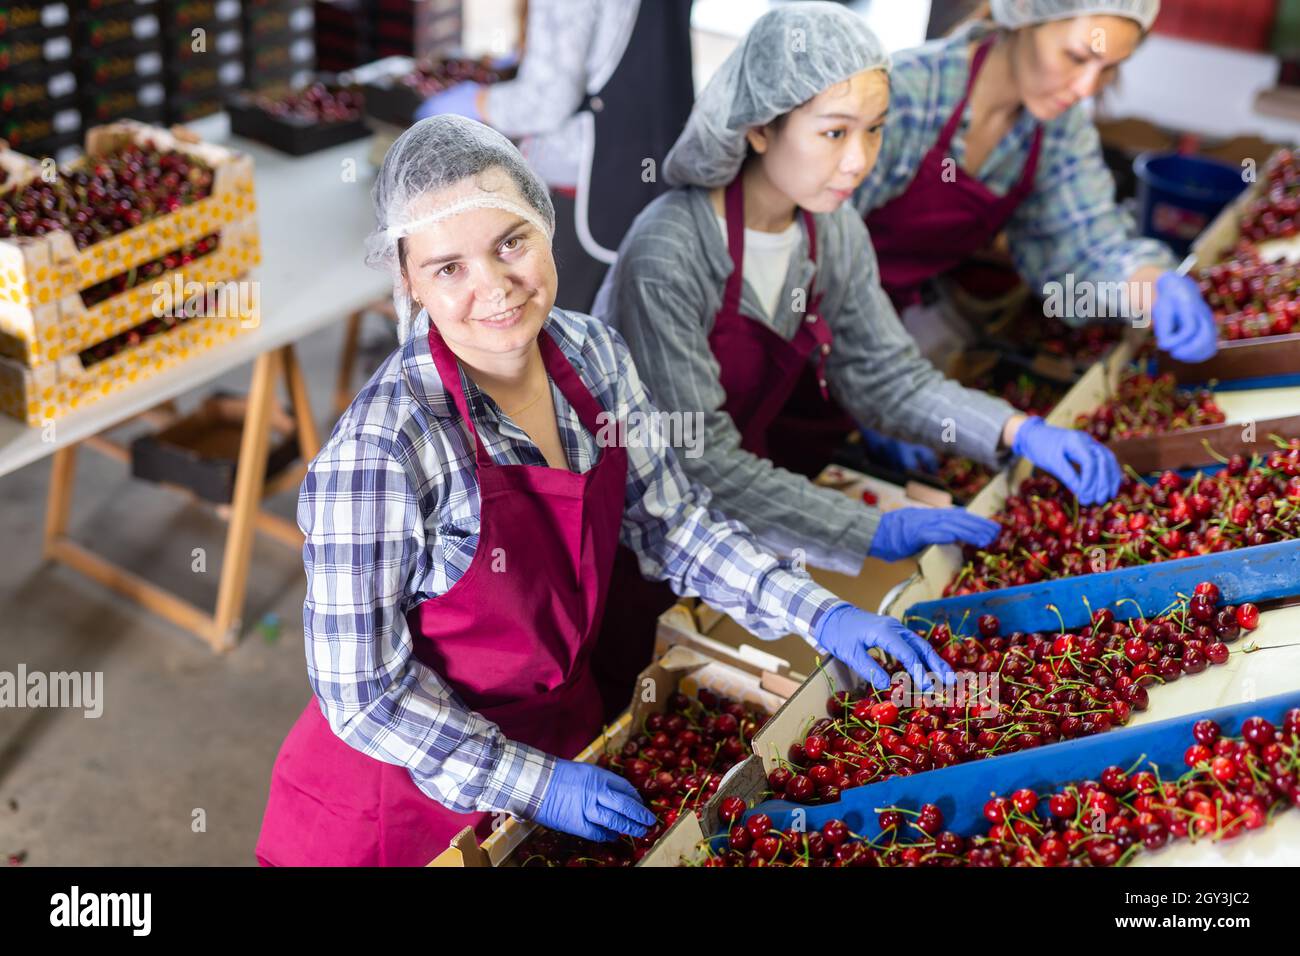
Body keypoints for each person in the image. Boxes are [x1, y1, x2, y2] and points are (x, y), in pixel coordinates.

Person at [254, 115, 957, 866]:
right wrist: (534, 782)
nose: (493, 288)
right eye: (448, 267)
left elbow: (673, 525)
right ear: (408, 279)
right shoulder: (382, 452)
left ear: (546, 226)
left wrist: (820, 614)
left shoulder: (593, 358)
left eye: (510, 243)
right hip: (405, 800)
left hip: (563, 737)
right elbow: (362, 693)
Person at [590, 3, 1123, 717]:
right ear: (759, 126)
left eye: (873, 131)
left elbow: (885, 374)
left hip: (737, 527)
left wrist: (1014, 432)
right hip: (629, 532)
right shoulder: (672, 250)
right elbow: (699, 465)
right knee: (625, 684)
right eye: (834, 132)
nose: (859, 160)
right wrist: (863, 529)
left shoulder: (828, 230)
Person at [855, 0, 1217, 365]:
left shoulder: (1058, 130)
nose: (1087, 88)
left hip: (885, 344)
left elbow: (1088, 247)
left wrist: (1152, 285)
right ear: (1024, 14)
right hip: (816, 326)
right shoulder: (904, 96)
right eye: (1076, 57)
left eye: (1109, 69)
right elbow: (812, 252)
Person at [416, 0, 694, 313]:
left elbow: (547, 102)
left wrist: (476, 102)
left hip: (585, 187)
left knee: (561, 331)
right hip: (653, 172)